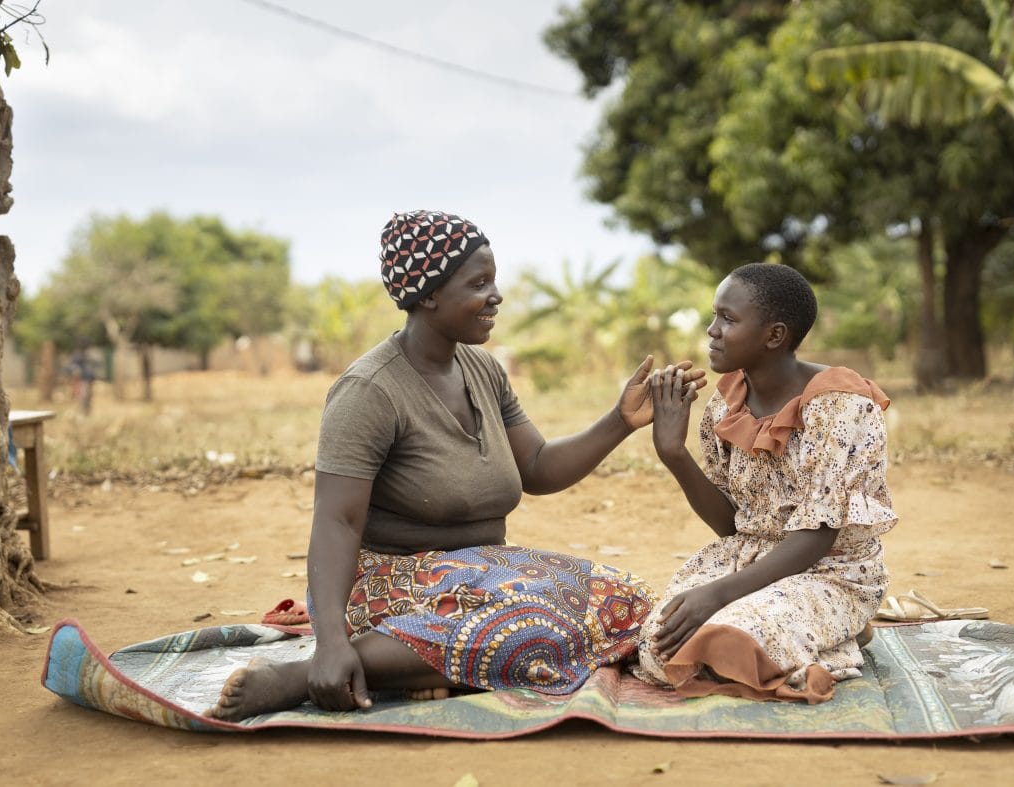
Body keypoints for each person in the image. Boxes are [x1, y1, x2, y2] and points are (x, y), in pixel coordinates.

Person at [206, 210, 702, 720]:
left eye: (494, 281)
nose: (496, 296)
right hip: (384, 584)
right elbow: (337, 521)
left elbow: (537, 467)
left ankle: (421, 668)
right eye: (479, 283)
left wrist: (620, 420)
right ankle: (310, 674)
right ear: (428, 295)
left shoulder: (482, 368)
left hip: (479, 574)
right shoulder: (369, 390)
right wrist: (330, 639)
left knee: (628, 601)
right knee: (531, 625)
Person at [633, 262, 895, 704]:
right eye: (714, 316)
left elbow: (817, 536)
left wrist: (716, 595)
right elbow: (733, 524)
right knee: (659, 649)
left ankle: (839, 627)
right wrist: (672, 451)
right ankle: (829, 634)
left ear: (774, 336)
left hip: (831, 570)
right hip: (749, 562)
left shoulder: (840, 408)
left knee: (730, 640)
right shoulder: (726, 404)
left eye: (728, 319)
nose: (712, 330)